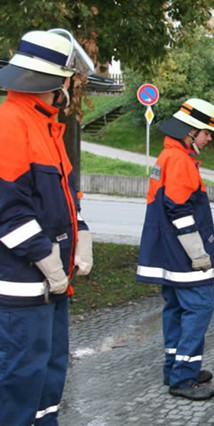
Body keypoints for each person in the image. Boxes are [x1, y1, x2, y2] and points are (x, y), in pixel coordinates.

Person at [0, 29, 95, 424]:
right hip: (22, 287)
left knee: (49, 374)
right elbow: (8, 212)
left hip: (50, 285)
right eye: (69, 81)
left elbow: (65, 198)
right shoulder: (10, 123)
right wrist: (48, 261)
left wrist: (81, 230)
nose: (70, 89)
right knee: (20, 382)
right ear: (53, 83)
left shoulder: (46, 126)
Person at [136, 98, 214, 400]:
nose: (209, 139)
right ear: (190, 132)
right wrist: (198, 254)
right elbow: (180, 211)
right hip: (184, 255)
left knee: (174, 308)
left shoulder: (168, 155)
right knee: (199, 308)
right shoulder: (181, 161)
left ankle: (174, 367)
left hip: (168, 252)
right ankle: (184, 377)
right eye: (206, 133)